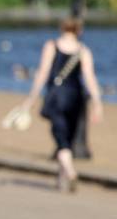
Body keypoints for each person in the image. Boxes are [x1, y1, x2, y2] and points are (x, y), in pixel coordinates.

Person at [22, 18, 103, 193]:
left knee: (61, 138)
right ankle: (61, 178)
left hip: (57, 95)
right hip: (76, 97)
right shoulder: (83, 51)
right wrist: (97, 101)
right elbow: (90, 78)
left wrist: (31, 98)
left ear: (62, 28)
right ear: (79, 30)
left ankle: (70, 172)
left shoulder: (52, 46)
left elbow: (42, 72)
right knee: (69, 136)